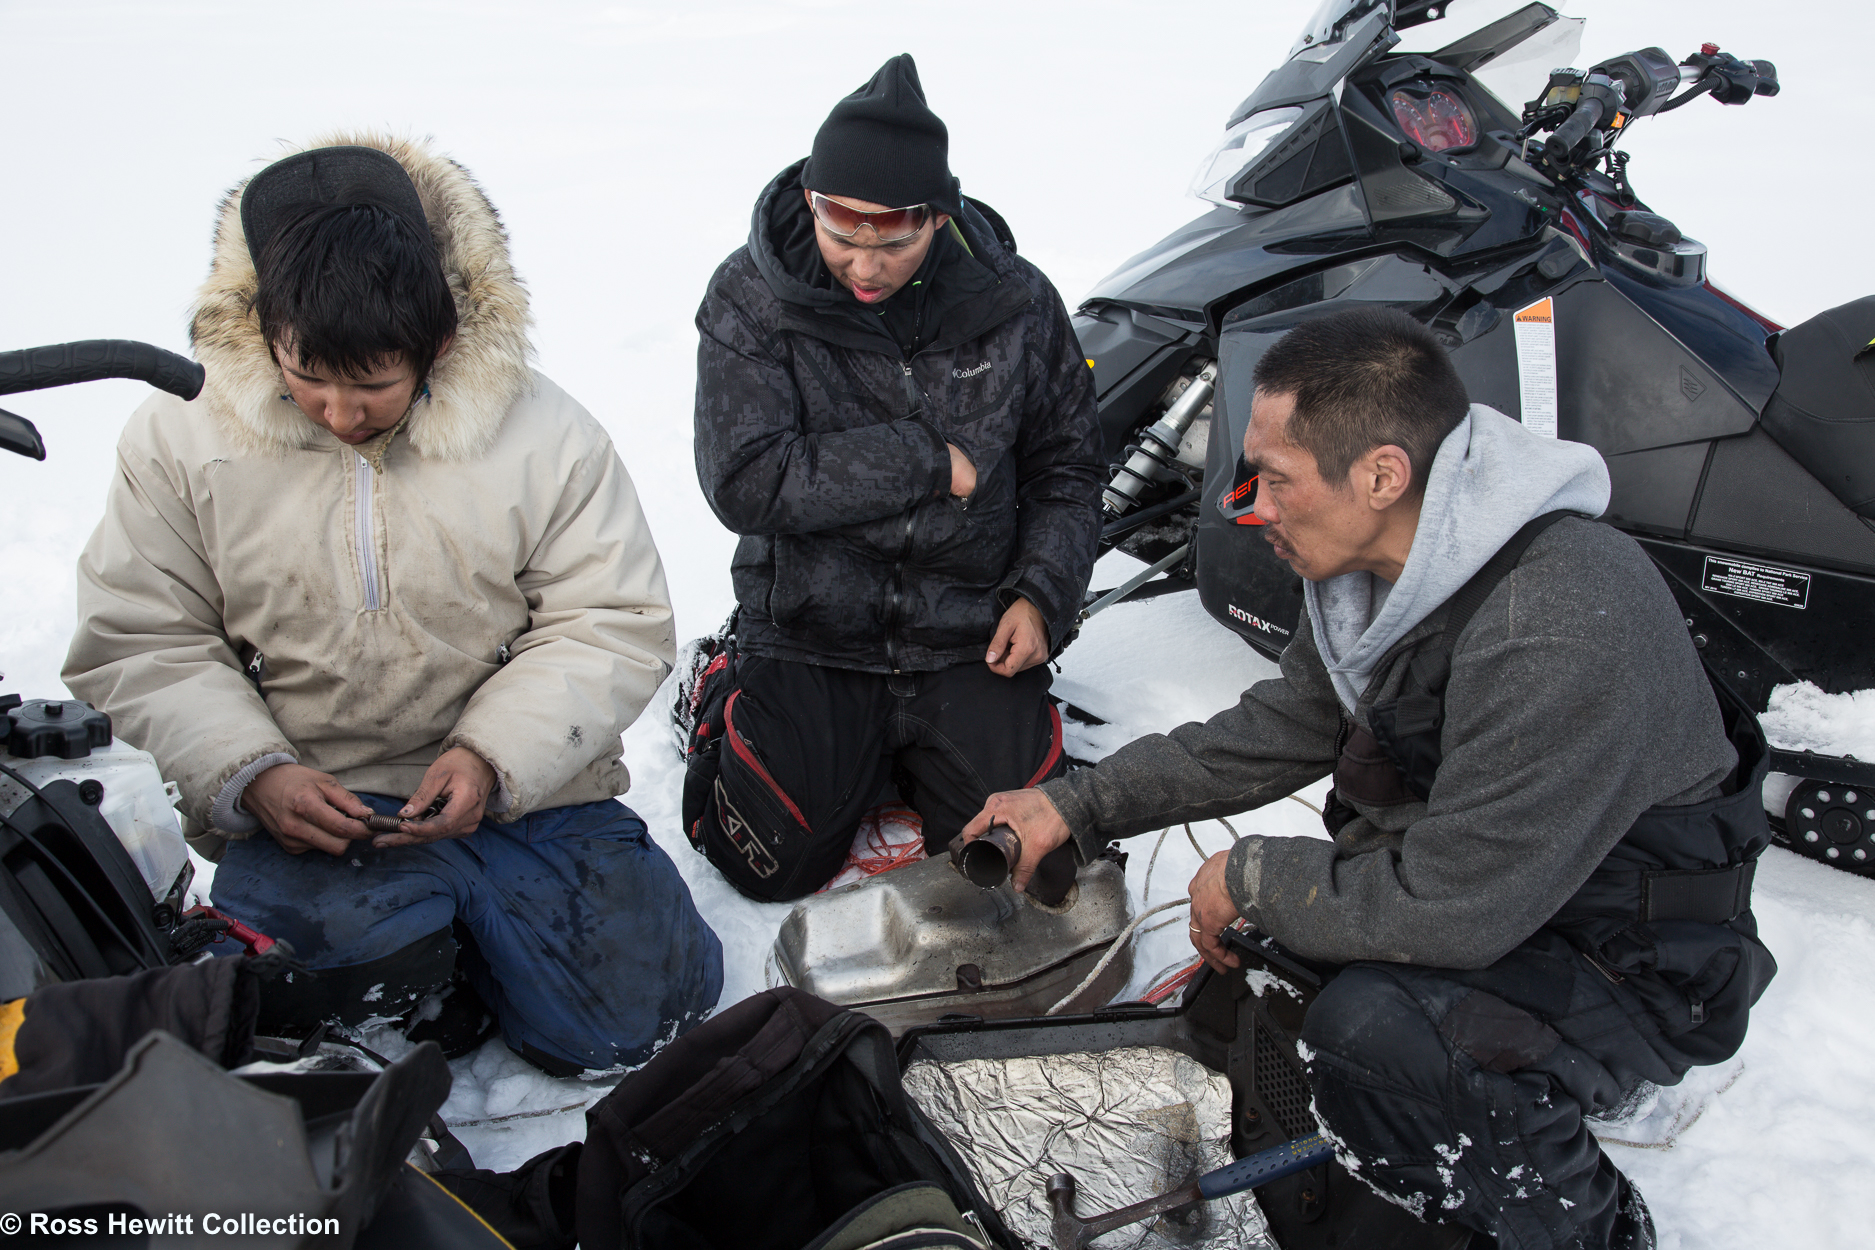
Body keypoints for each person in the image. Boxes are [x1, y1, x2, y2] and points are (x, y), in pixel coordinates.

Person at [962, 307, 1775, 1250]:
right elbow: (1283, 724)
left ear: (1383, 473)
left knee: (1375, 1034)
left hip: (1632, 954)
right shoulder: (1377, 568)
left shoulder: (1554, 618)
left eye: (1272, 480)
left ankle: (1591, 1229)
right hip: (1503, 878)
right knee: (1281, 962)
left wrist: (1253, 875)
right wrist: (1076, 803)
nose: (1247, 507)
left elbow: (1452, 908)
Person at [63, 135, 723, 1075]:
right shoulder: (178, 434)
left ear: (438, 343)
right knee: (276, 1018)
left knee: (639, 1023)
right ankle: (430, 961)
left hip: (527, 795)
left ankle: (475, 947)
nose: (338, 415)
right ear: (264, 330)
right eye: (308, 379)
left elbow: (608, 620)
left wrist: (494, 757)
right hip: (313, 802)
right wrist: (249, 772)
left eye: (372, 384)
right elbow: (143, 632)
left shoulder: (547, 436)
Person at [687, 54, 1104, 903]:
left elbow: (1068, 468)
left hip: (965, 632)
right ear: (811, 201)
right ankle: (722, 685)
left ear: (938, 219)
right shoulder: (750, 296)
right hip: (814, 627)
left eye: (893, 242)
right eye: (844, 238)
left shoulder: (1018, 304)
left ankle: (915, 753)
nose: (865, 267)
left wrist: (1040, 594)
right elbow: (745, 479)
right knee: (765, 865)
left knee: (1028, 872)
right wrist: (921, 459)